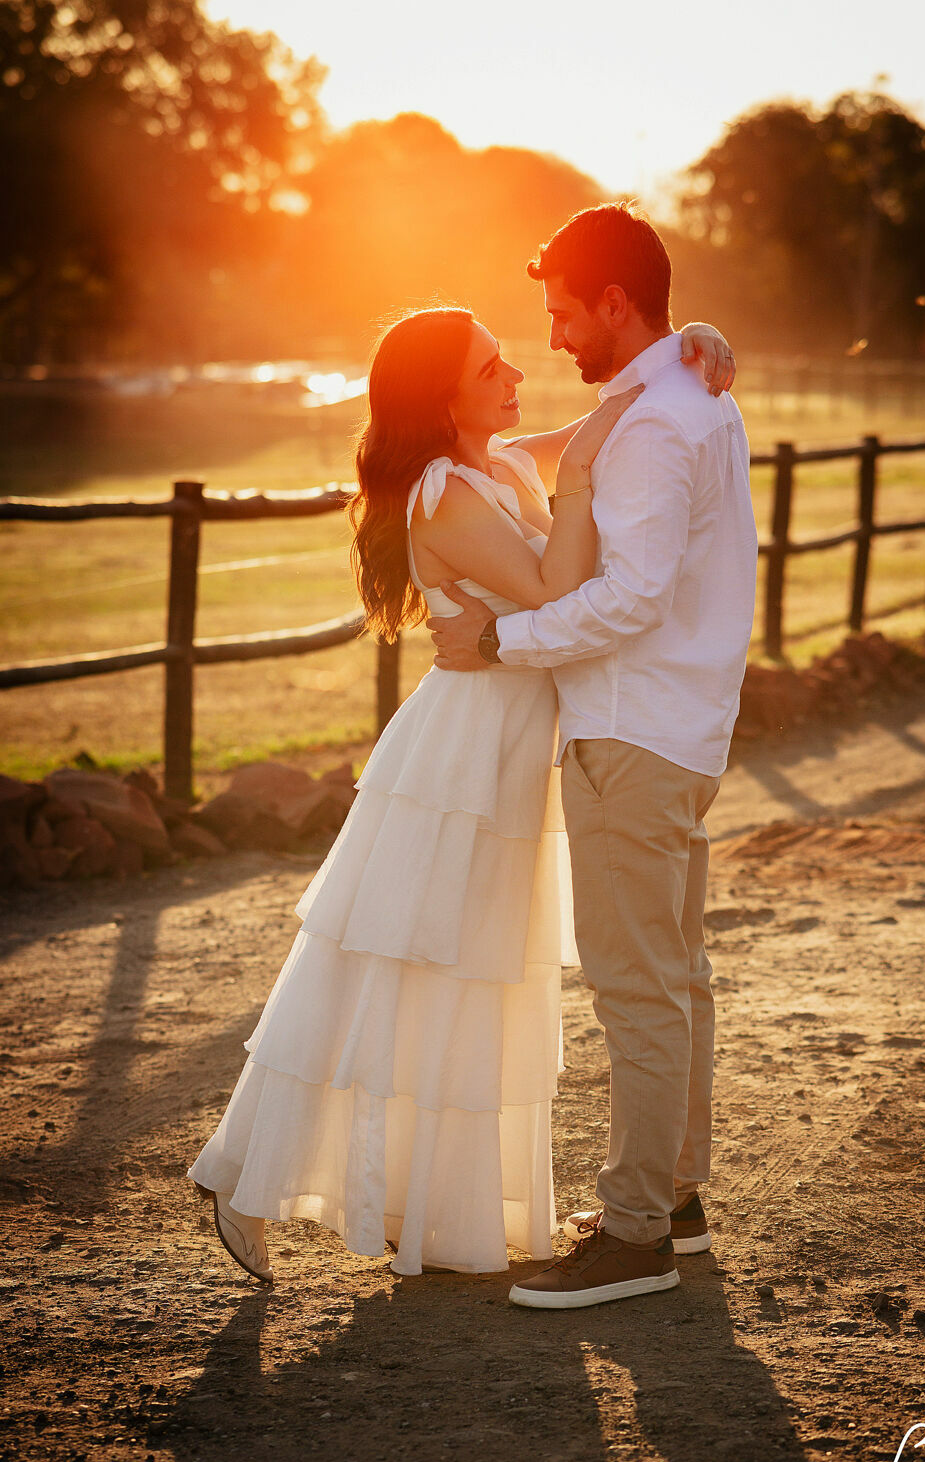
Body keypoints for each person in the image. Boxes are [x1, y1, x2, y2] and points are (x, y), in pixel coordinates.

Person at [188, 301, 733, 1281]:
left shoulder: (496, 463)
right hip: (456, 758)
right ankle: (239, 1170)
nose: (513, 374)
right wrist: (575, 476)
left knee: (465, 977)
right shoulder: (445, 491)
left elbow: (613, 408)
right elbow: (554, 593)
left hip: (503, 752)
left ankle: (421, 1199)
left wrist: (690, 347)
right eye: (489, 370)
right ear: (442, 399)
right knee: (383, 968)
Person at [429, 203, 759, 1309]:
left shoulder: (660, 421)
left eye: (565, 314)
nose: (557, 339)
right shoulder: (676, 395)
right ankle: (672, 1200)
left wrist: (496, 638)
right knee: (673, 978)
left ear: (616, 302)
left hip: (633, 729)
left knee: (634, 989)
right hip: (674, 727)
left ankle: (634, 1239)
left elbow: (626, 598)